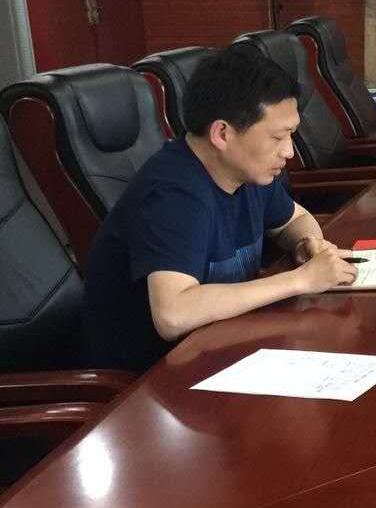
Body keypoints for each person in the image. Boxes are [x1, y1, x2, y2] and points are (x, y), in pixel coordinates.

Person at [84, 45, 358, 372]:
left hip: (223, 349)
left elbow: (295, 219)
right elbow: (173, 314)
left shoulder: (248, 172)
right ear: (222, 133)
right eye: (278, 138)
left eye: (291, 135)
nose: (289, 152)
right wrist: (300, 280)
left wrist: (307, 244)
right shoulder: (174, 194)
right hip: (153, 379)